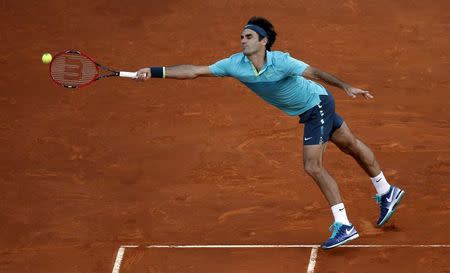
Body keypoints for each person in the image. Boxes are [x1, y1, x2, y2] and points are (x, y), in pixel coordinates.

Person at [135, 16, 405, 249]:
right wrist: (156, 71)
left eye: (249, 36)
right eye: (241, 36)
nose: (242, 40)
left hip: (316, 105)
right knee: (349, 144)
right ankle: (386, 190)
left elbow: (314, 72)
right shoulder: (234, 64)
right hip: (310, 108)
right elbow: (194, 71)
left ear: (263, 41)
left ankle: (343, 224)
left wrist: (346, 86)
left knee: (313, 166)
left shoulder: (281, 61)